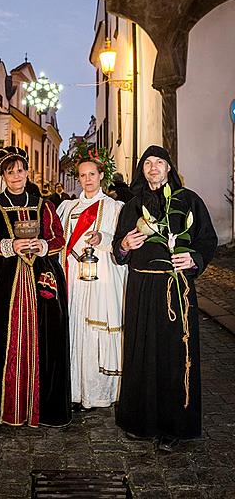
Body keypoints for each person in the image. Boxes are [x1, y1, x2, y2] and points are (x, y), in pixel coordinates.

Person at [112, 145, 217, 452]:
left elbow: (207, 239)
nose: (153, 167)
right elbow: (118, 253)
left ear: (169, 167)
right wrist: (125, 244)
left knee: (174, 357)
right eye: (148, 163)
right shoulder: (132, 205)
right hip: (142, 288)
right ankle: (140, 421)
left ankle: (174, 426)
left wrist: (194, 257)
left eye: (159, 162)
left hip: (176, 290)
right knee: (141, 352)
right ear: (141, 170)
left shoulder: (189, 201)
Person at [0, 146, 71, 431]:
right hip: (4, 285)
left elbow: (57, 238)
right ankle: (4, 408)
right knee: (2, 340)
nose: (16, 176)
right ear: (2, 175)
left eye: (20, 170)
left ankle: (40, 408)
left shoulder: (44, 205)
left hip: (41, 278)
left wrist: (41, 245)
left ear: (27, 172)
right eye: (9, 171)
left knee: (45, 340)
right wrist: (10, 246)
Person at [57, 149, 127, 411]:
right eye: (82, 175)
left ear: (101, 176)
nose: (87, 179)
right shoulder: (68, 207)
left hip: (101, 279)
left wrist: (103, 239)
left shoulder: (114, 208)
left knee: (93, 330)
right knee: (74, 328)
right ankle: (75, 391)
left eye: (92, 174)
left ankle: (97, 393)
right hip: (72, 278)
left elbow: (121, 245)